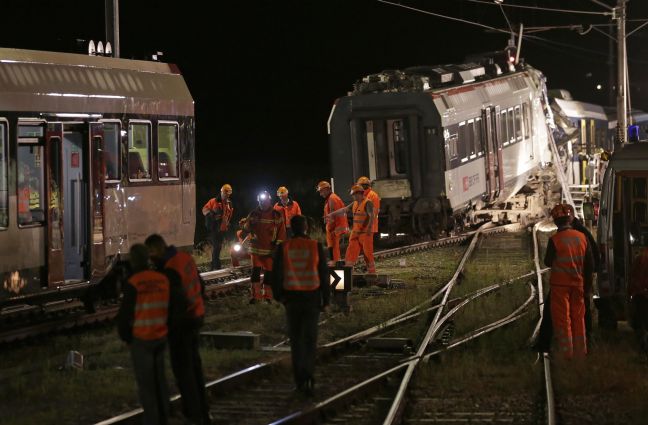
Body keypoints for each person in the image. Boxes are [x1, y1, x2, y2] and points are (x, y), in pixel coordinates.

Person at [145, 234, 210, 425]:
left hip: (181, 323)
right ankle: (203, 411)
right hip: (196, 317)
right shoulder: (184, 258)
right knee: (195, 367)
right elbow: (201, 286)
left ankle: (193, 413)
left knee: (183, 370)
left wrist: (168, 325)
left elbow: (174, 301)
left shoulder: (170, 269)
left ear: (157, 250)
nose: (150, 258)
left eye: (151, 253)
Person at [117, 244, 184, 425]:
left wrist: (127, 337)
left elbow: (124, 315)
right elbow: (172, 308)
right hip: (160, 337)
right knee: (160, 381)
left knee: (146, 386)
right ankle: (164, 417)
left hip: (141, 340)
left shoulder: (134, 282)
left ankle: (152, 421)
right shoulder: (162, 279)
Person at [272, 215, 330, 396]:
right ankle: (309, 376)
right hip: (311, 298)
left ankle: (299, 380)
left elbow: (277, 274)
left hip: (292, 299)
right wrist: (326, 300)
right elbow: (324, 276)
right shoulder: (315, 246)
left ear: (291, 228)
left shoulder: (284, 247)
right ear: (305, 227)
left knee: (296, 340)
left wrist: (279, 297)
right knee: (310, 340)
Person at [543, 204, 594, 359]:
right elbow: (589, 264)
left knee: (563, 320)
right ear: (570, 220)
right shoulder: (582, 237)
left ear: (556, 222)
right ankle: (581, 352)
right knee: (579, 318)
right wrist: (588, 287)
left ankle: (566, 354)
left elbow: (547, 262)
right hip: (578, 285)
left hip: (560, 287)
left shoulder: (555, 240)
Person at [245, 190, 286, 303]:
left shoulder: (276, 215)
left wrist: (277, 248)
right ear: (258, 201)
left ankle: (267, 296)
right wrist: (247, 225)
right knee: (255, 272)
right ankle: (255, 296)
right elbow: (246, 228)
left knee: (269, 273)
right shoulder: (253, 214)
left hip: (269, 250)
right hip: (256, 249)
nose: (263, 203)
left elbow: (281, 234)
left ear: (269, 201)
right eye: (261, 201)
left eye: (265, 201)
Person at [337, 185, 375, 273]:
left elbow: (371, 215)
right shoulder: (355, 203)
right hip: (355, 233)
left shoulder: (367, 203)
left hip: (365, 234)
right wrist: (332, 214)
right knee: (350, 252)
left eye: (353, 194)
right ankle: (348, 272)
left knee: (367, 254)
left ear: (359, 194)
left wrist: (369, 228)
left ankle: (372, 274)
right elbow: (344, 209)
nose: (352, 196)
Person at [202, 184, 234, 270]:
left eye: (228, 193)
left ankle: (213, 266)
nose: (226, 195)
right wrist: (212, 215)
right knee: (217, 247)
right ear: (221, 192)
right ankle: (216, 266)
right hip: (214, 228)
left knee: (218, 247)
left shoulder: (229, 203)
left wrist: (227, 223)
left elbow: (229, 215)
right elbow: (204, 210)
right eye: (225, 193)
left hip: (223, 229)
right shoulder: (213, 201)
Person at [316, 180, 349, 265]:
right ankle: (334, 262)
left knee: (334, 247)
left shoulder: (332, 199)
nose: (320, 194)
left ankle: (336, 264)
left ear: (327, 189)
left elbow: (334, 215)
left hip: (335, 228)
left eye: (321, 191)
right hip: (334, 227)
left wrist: (330, 228)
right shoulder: (330, 198)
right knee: (332, 246)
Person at [629, 247, 648, 353]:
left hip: (640, 295)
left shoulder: (640, 257)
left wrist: (631, 293)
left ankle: (642, 348)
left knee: (641, 323)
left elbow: (633, 277)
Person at [357, 176, 380, 241]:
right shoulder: (361, 195)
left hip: (367, 226)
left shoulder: (372, 196)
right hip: (362, 226)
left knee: (366, 247)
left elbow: (374, 212)